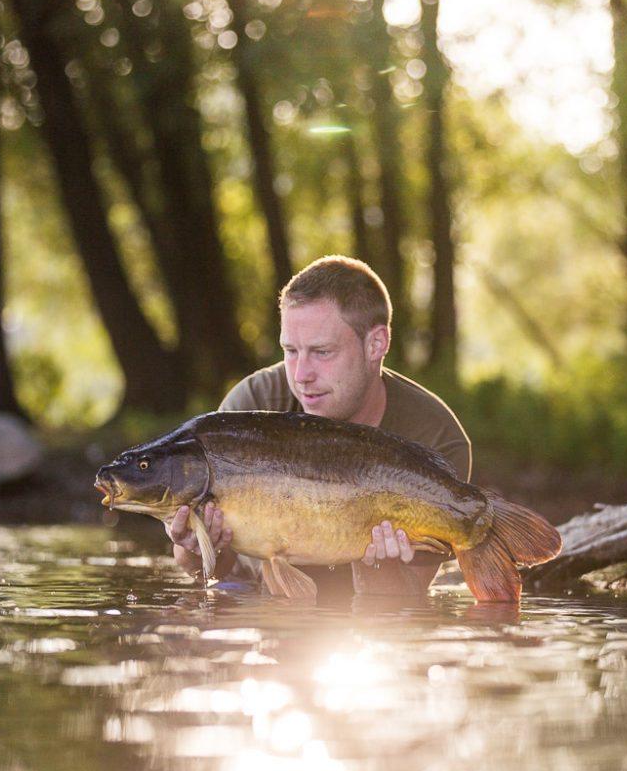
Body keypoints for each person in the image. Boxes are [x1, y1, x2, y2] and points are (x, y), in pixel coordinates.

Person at [166, 255, 471, 596]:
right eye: (290, 351)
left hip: (365, 606)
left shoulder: (435, 436)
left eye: (322, 352)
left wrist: (381, 568)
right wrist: (192, 546)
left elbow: (409, 596)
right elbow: (207, 572)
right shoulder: (251, 406)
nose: (301, 376)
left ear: (376, 344)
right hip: (256, 594)